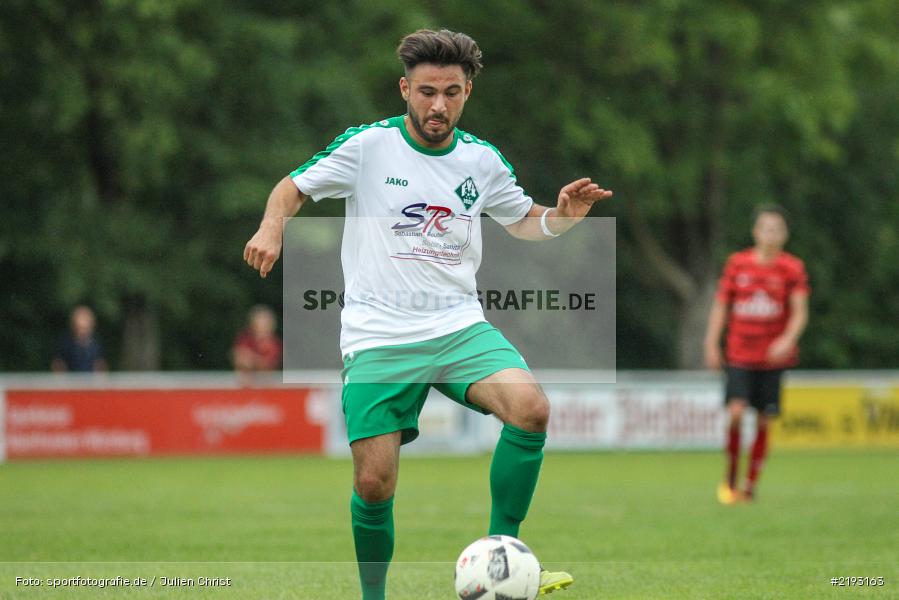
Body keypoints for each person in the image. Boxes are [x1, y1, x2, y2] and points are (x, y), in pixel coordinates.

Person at [243, 29, 613, 599]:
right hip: (378, 336)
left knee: (531, 408)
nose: (437, 104)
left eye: (451, 92)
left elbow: (523, 221)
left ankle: (503, 559)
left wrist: (563, 216)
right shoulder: (367, 146)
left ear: (468, 93)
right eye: (425, 92)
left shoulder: (481, 160)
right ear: (404, 89)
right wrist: (272, 227)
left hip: (458, 328)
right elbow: (291, 188)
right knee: (374, 483)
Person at [704, 204, 809, 504]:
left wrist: (787, 339)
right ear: (755, 232)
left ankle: (750, 485)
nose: (770, 234)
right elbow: (721, 306)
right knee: (736, 413)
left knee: (764, 419)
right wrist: (711, 343)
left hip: (772, 357)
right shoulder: (738, 264)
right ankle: (730, 477)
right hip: (739, 353)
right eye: (765, 228)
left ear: (785, 234)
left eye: (776, 229)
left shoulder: (792, 268)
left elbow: (800, 312)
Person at [51, 305, 107, 373]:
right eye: (80, 328)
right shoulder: (65, 343)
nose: (83, 332)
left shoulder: (96, 344)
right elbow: (58, 365)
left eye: (85, 329)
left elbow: (100, 365)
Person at [232, 305, 283, 376]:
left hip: (268, 383)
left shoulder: (275, 343)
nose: (262, 327)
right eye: (259, 324)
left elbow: (269, 365)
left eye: (265, 324)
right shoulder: (245, 339)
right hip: (246, 383)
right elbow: (239, 360)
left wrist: (251, 359)